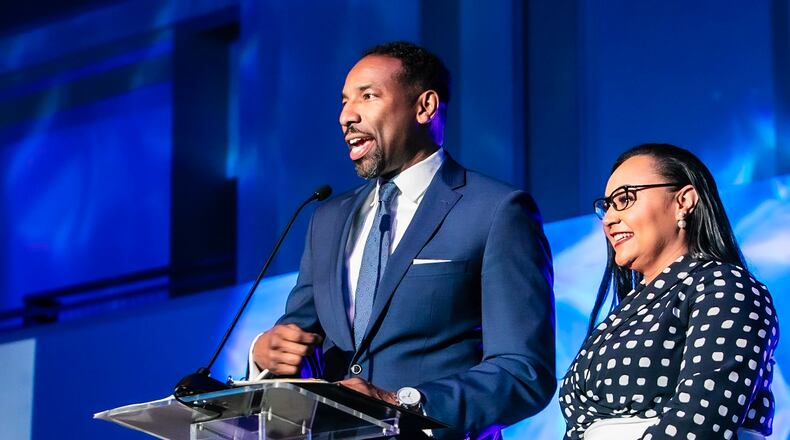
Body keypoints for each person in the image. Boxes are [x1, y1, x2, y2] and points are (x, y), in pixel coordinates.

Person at [247, 41, 556, 439]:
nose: (347, 115)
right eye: (344, 101)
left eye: (368, 96)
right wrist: (267, 355)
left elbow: (523, 371)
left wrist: (402, 403)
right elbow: (301, 342)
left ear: (424, 107)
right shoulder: (327, 218)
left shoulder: (497, 210)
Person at [560, 143, 779, 439]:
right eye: (607, 206)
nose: (609, 219)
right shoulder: (623, 314)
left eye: (625, 199)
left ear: (683, 201)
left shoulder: (724, 287)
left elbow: (700, 424)